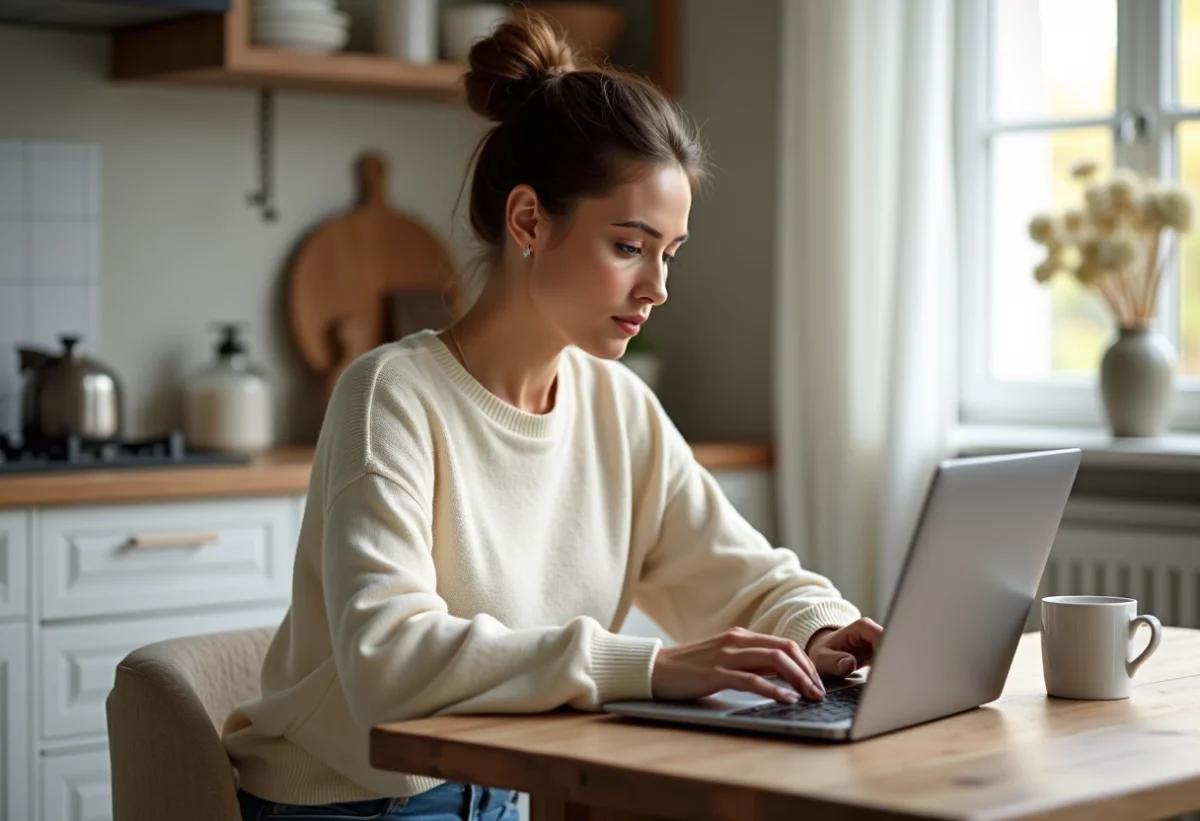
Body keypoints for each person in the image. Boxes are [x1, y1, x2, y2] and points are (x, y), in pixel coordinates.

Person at [225, 12, 882, 821]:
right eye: (629, 246)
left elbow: (736, 571)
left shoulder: (618, 405)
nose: (658, 287)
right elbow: (386, 662)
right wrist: (647, 668)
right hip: (363, 801)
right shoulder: (392, 394)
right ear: (529, 221)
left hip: (511, 784)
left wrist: (823, 629)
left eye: (669, 253)